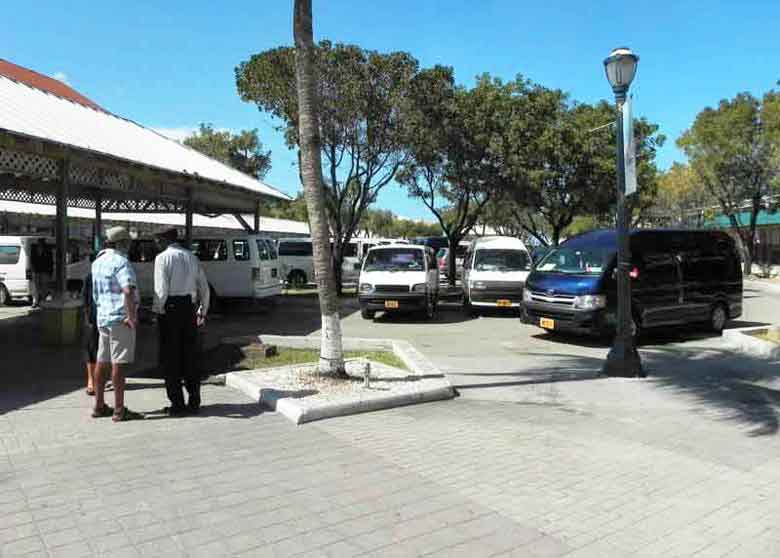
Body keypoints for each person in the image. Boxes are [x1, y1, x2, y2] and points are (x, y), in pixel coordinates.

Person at [154, 228, 209, 416]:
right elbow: (204, 286)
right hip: (188, 308)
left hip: (170, 309)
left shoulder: (162, 258)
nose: (156, 244)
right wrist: (203, 309)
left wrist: (157, 310)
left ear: (164, 240)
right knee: (190, 355)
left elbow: (161, 290)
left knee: (171, 358)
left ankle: (177, 404)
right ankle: (194, 400)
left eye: (157, 240)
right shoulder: (191, 257)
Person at [91, 226, 143, 422]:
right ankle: (119, 410)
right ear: (122, 243)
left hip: (103, 317)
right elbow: (128, 290)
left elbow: (95, 293)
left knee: (101, 361)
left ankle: (98, 405)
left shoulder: (97, 262)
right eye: (128, 242)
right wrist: (131, 316)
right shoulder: (121, 262)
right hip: (120, 318)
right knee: (119, 363)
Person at [30, 238, 53, 307]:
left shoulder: (48, 250)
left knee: (44, 287)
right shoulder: (34, 249)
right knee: (35, 287)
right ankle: (35, 301)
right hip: (36, 270)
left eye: (41, 242)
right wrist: (32, 270)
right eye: (39, 242)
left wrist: (50, 272)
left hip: (44, 271)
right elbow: (32, 260)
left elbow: (50, 261)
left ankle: (43, 300)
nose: (40, 244)